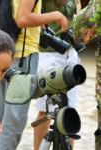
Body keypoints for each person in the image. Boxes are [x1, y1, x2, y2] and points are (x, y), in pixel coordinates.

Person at [0, 0, 69, 150]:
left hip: (2, 49)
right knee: (14, 120)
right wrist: (56, 15)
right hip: (22, 55)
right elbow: (22, 18)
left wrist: (39, 19)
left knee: (2, 119)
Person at [34, 0, 82, 150]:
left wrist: (78, 10)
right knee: (45, 110)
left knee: (69, 110)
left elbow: (76, 5)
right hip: (50, 53)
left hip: (69, 51)